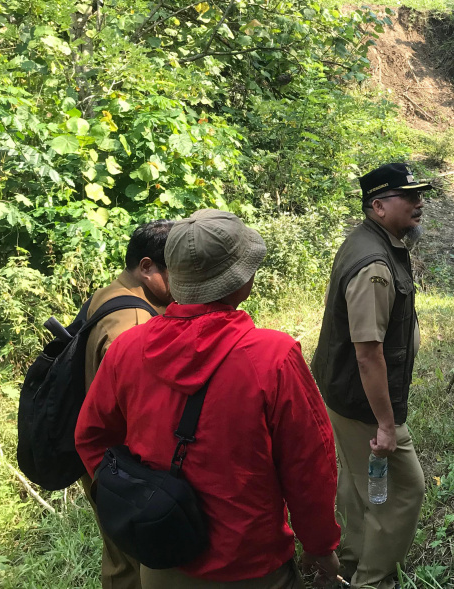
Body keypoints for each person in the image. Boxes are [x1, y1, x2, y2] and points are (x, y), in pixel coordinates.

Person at [76, 210, 341, 587]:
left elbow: (91, 436)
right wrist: (319, 545)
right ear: (242, 282)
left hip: (161, 561)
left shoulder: (128, 347)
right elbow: (309, 466)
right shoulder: (272, 356)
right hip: (252, 565)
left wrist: (131, 500)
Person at [310, 163, 428, 589]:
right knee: (402, 490)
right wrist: (385, 423)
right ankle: (373, 579)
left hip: (343, 393)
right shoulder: (374, 264)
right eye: (409, 197)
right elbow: (368, 354)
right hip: (364, 401)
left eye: (419, 194)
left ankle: (350, 558)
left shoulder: (369, 240)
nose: (419, 203)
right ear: (377, 206)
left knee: (361, 481)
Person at [79, 220, 173, 589]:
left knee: (119, 558)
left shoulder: (110, 293)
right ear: (147, 267)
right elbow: (142, 409)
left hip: (103, 457)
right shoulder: (133, 322)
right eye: (175, 273)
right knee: (136, 563)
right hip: (124, 465)